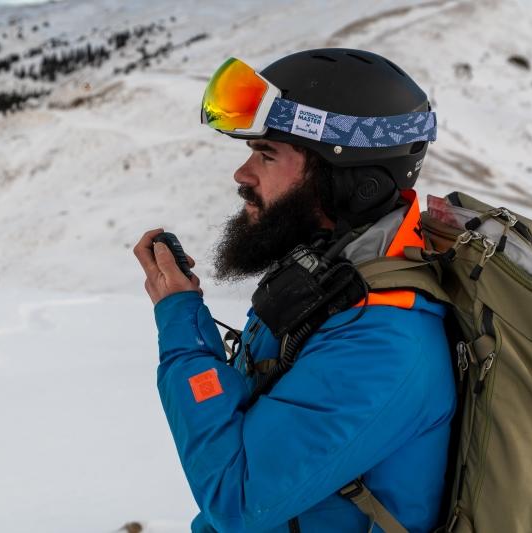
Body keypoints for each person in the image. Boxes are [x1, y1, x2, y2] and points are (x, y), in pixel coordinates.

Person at [133, 48, 456, 532]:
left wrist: (181, 326)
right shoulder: (331, 282)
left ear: (350, 181)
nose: (242, 174)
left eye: (266, 154)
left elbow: (237, 500)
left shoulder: (383, 341)